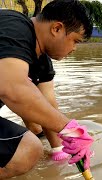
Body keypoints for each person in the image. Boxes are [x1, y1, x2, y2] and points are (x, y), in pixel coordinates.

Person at [0, 0, 94, 179]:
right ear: (57, 28)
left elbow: (48, 105)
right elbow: (12, 88)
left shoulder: (42, 60)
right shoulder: (13, 27)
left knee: (30, 143)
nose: (74, 48)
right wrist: (70, 130)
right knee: (29, 149)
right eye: (75, 40)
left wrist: (59, 150)